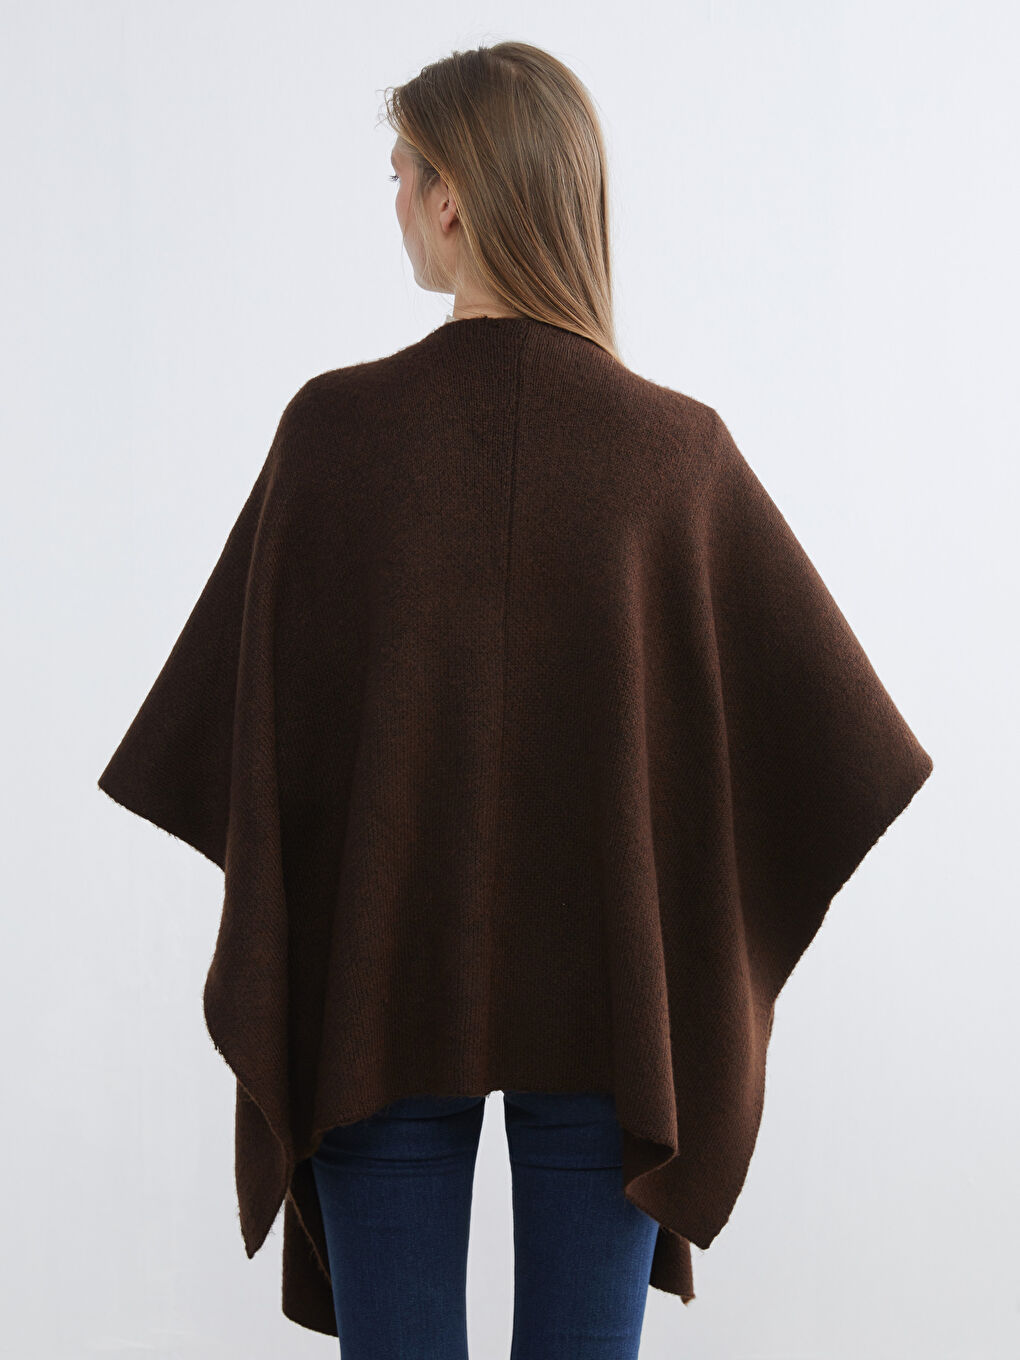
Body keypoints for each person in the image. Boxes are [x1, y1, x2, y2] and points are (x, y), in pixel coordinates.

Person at [97, 38, 933, 1360]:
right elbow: (828, 743)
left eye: (401, 172)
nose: (393, 200)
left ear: (453, 197)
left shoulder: (335, 436)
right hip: (612, 1006)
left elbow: (253, 745)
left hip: (379, 995)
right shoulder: (673, 455)